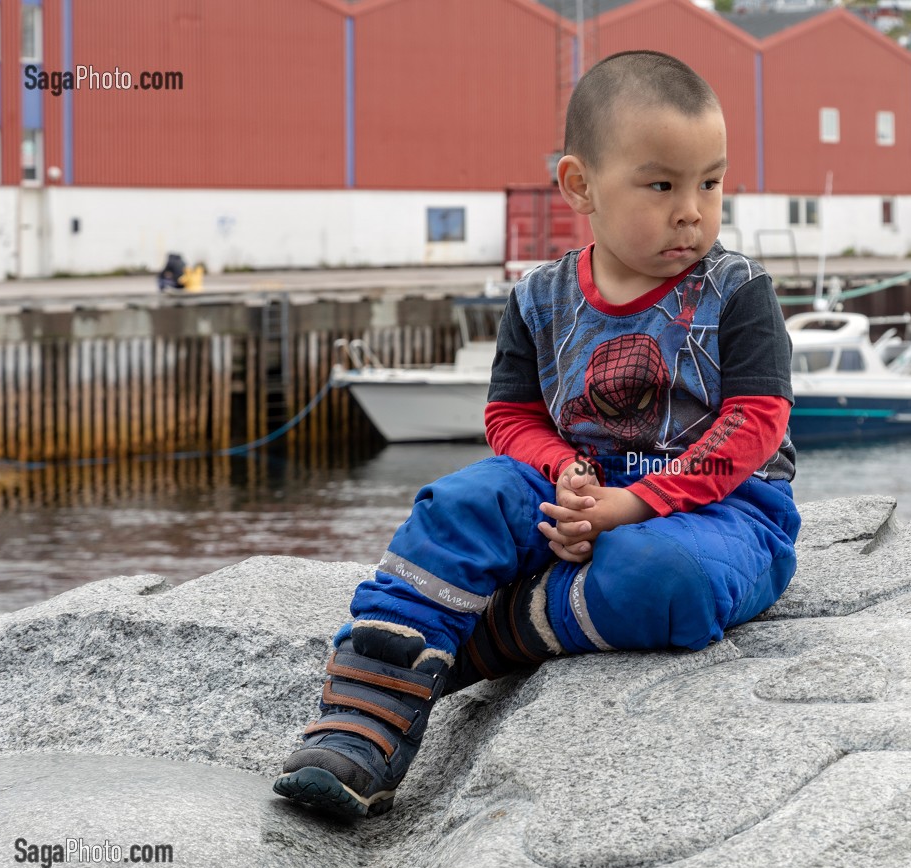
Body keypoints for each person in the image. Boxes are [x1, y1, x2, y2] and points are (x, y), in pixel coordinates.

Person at [272, 50, 800, 818]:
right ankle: (362, 722)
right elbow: (510, 417)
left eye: (710, 182)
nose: (693, 209)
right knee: (459, 501)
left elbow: (756, 424)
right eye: (662, 184)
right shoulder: (540, 298)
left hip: (723, 509)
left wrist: (631, 506)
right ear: (580, 185)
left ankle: (482, 638)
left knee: (668, 580)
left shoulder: (738, 291)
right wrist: (560, 470)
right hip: (571, 493)